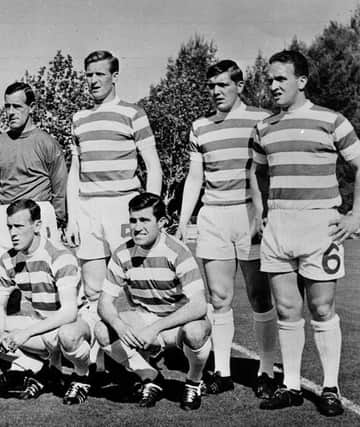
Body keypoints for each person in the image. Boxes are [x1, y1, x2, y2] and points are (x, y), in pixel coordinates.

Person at [251, 50, 360, 416]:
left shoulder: (331, 121)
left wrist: (355, 215)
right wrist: (260, 213)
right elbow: (256, 172)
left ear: (302, 80)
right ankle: (292, 385)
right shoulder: (264, 127)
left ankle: (330, 388)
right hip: (280, 224)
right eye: (269, 79)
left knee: (322, 307)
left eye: (280, 78)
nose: (273, 85)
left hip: (320, 225)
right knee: (286, 308)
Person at [176, 59, 277, 398]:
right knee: (219, 298)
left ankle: (265, 370)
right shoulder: (200, 126)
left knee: (259, 296)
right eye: (212, 86)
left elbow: (269, 172)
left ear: (240, 85)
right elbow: (194, 178)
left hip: (249, 214)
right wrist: (182, 220)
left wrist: (268, 214)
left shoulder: (261, 120)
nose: (216, 92)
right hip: (213, 217)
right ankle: (222, 371)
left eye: (223, 85)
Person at [65, 50, 163, 329]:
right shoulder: (79, 118)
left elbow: (153, 166)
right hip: (88, 208)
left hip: (123, 207)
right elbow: (75, 171)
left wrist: (150, 212)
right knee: (93, 288)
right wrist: (72, 218)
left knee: (134, 284)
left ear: (114, 76)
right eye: (89, 75)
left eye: (100, 74)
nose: (93, 81)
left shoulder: (133, 113)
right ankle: (100, 362)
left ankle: (140, 355)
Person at [96, 194, 211, 410]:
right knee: (103, 329)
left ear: (161, 223)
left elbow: (199, 305)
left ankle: (194, 381)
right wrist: (119, 326)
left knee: (196, 331)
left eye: (144, 220)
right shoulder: (122, 254)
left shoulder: (178, 252)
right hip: (146, 318)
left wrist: (155, 328)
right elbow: (104, 303)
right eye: (133, 220)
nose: (137, 227)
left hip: (177, 322)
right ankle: (150, 376)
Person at [0, 199, 89, 403]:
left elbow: (69, 312)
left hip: (76, 324)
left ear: (37, 226)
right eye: (9, 226)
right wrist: (3, 334)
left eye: (19, 226)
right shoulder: (7, 259)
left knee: (68, 335)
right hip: (43, 324)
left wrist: (24, 334)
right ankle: (38, 368)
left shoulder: (59, 256)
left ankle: (82, 376)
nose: (12, 233)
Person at [0, 82, 67, 267]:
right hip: (6, 214)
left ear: (32, 108)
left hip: (39, 213)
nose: (11, 112)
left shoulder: (47, 142)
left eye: (17, 106)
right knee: (5, 281)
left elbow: (60, 186)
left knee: (44, 278)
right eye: (7, 106)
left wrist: (59, 220)